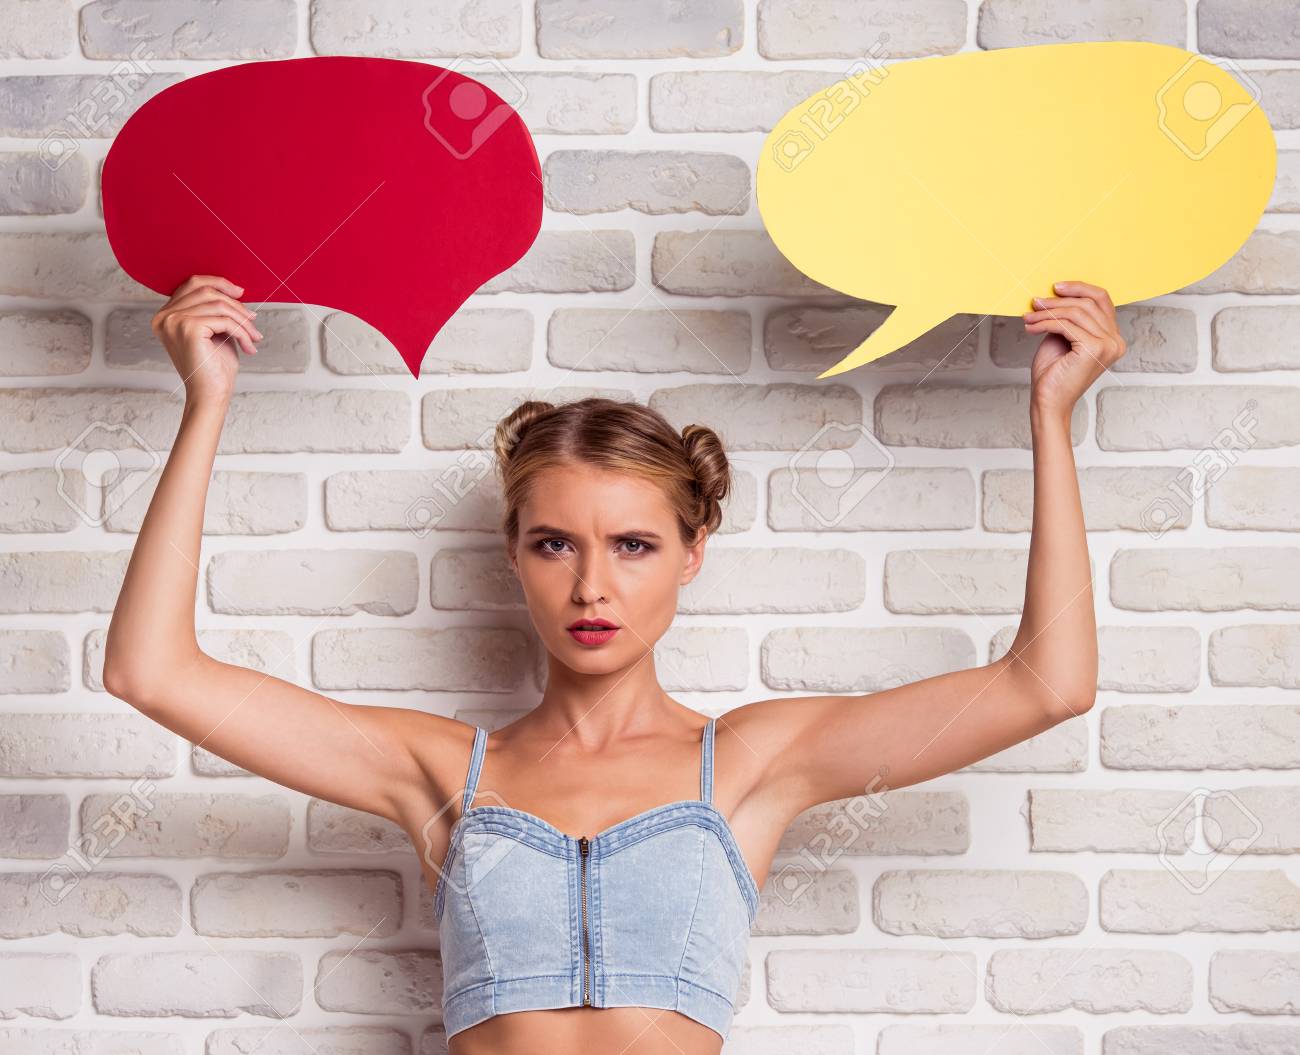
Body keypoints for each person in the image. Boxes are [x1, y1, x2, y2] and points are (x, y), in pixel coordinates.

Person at [104, 274, 1127, 1054]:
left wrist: (1051, 414)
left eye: (633, 545)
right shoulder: (440, 770)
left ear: (691, 552)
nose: (592, 585)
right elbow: (151, 670)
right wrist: (207, 399)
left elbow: (1048, 682)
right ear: (514, 553)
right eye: (555, 543)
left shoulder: (754, 761)